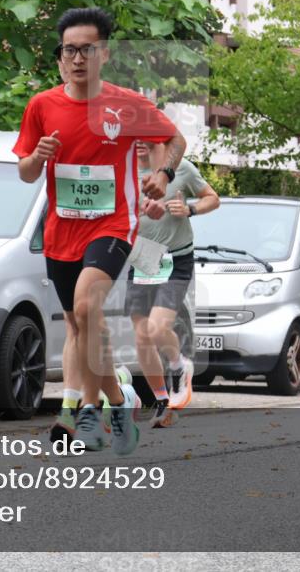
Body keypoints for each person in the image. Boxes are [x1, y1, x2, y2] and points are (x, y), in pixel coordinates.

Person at [15, 7, 188, 454]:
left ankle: (76, 413)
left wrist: (164, 175)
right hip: (61, 232)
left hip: (113, 225)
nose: (76, 58)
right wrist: (39, 155)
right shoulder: (42, 106)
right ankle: (117, 400)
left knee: (86, 306)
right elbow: (25, 173)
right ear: (59, 58)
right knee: (80, 324)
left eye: (86, 49)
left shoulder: (126, 105)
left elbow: (175, 141)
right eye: (68, 50)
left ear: (104, 53)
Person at [126, 141, 219, 427]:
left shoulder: (181, 168)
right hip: (141, 257)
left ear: (158, 138)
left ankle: (179, 365)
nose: (138, 143)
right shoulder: (125, 169)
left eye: (144, 137)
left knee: (157, 328)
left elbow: (212, 198)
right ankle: (162, 401)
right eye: (133, 137)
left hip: (175, 259)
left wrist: (190, 209)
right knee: (142, 337)